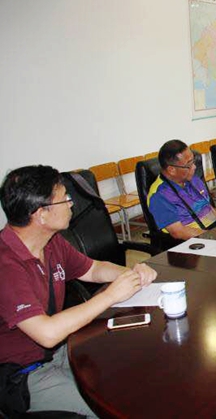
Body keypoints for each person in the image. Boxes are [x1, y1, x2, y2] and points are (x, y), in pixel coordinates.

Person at [0, 165, 157, 416]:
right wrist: (111, 295)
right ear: (41, 214)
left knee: (131, 375)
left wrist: (131, 273)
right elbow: (47, 333)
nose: (71, 204)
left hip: (62, 351)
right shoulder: (6, 265)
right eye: (65, 199)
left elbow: (93, 269)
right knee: (110, 410)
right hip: (25, 375)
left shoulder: (51, 242)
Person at [148, 139, 216, 240]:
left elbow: (206, 206)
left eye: (193, 161)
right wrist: (215, 236)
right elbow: (178, 232)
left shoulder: (192, 179)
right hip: (195, 241)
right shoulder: (159, 195)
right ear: (171, 170)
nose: (194, 167)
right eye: (189, 165)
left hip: (213, 231)